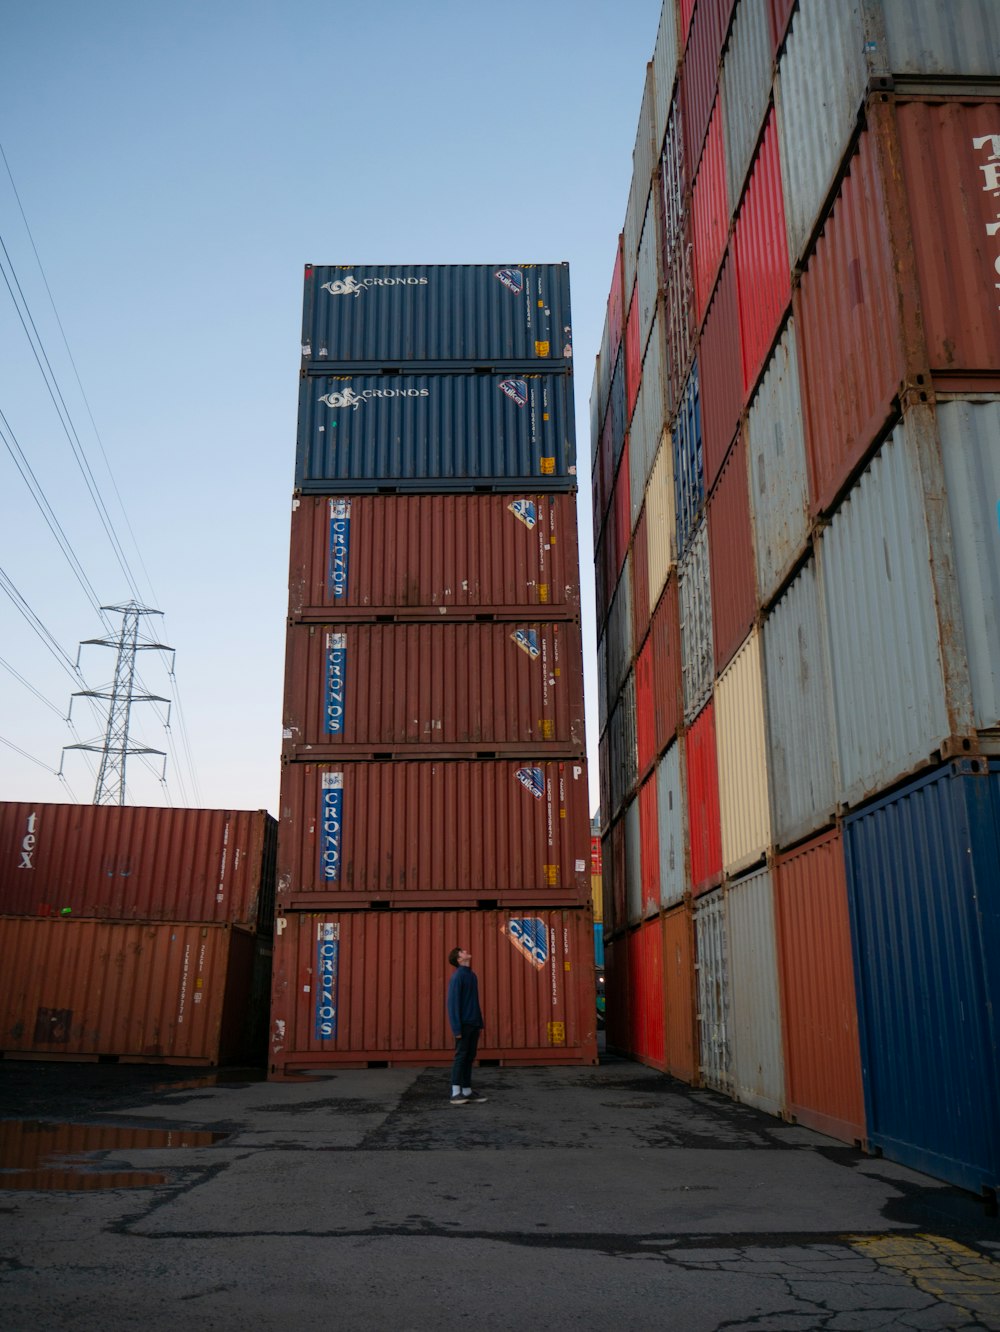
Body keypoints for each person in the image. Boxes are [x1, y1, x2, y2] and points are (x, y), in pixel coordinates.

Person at [446, 946, 488, 1105]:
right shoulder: (457, 977)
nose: (466, 951)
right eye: (462, 951)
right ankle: (455, 1092)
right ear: (459, 959)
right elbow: (452, 1004)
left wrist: (479, 1023)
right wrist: (456, 1028)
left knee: (469, 1057)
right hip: (463, 1025)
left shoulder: (472, 975)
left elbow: (473, 1003)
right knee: (461, 1057)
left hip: (473, 1023)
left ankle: (467, 1091)